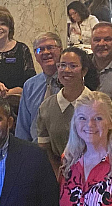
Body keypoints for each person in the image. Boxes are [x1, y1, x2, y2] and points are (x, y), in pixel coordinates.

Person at [34, 47, 100, 175]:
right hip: (59, 173)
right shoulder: (47, 106)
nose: (67, 70)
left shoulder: (98, 103)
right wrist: (58, 175)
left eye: (73, 66)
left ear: (84, 71)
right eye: (62, 65)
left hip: (95, 172)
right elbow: (45, 147)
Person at [16, 33, 63, 141]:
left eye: (50, 47)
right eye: (40, 49)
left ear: (61, 50)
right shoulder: (30, 85)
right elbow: (22, 126)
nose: (46, 52)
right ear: (35, 56)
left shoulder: (70, 83)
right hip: (35, 148)